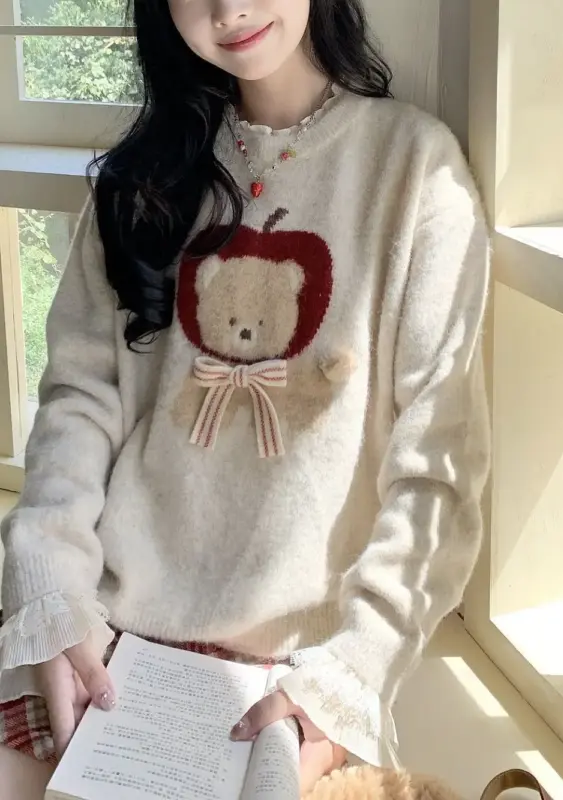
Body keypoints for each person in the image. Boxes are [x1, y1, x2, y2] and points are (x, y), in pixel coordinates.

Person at [0, 0, 491, 797]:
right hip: (107, 637)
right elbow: (76, 405)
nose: (228, 9)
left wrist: (350, 671)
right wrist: (53, 596)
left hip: (294, 680)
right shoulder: (143, 177)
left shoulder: (414, 171)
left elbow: (440, 472)